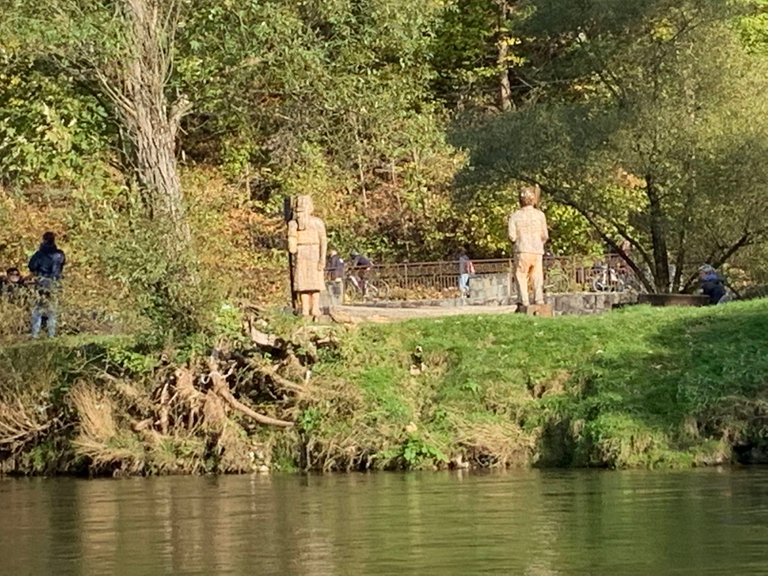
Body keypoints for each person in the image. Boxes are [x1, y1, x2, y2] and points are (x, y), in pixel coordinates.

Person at [508, 185, 549, 306]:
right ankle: (539, 299)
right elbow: (545, 235)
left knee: (521, 275)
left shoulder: (515, 216)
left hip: (522, 249)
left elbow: (512, 236)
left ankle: (524, 300)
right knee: (537, 275)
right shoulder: (540, 215)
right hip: (537, 250)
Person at [287, 196, 327, 319]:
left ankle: (315, 307)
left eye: (302, 211)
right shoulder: (293, 224)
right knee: (303, 284)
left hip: (314, 252)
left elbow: (323, 240)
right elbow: (292, 239)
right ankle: (305, 308)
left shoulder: (317, 222)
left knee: (315, 284)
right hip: (301, 254)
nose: (299, 215)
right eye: (297, 212)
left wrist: (322, 258)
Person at [27, 231, 66, 338]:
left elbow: (32, 266)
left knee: (38, 309)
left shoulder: (39, 254)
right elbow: (61, 265)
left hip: (41, 282)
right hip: (54, 282)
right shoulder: (59, 254)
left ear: (44, 240)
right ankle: (51, 334)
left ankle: (35, 333)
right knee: (52, 310)